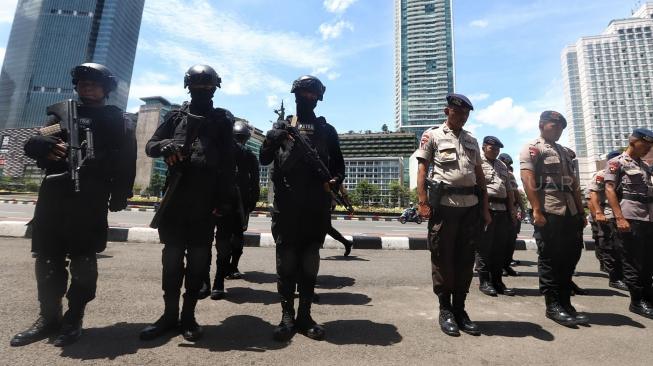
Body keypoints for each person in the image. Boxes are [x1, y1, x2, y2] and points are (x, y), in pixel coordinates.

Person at [11, 63, 136, 347]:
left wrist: (121, 193)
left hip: (91, 197)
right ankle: (48, 317)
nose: (86, 86)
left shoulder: (118, 119)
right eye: (81, 82)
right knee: (47, 258)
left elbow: (128, 159)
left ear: (106, 88)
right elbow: (41, 137)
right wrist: (40, 144)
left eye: (93, 82)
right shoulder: (62, 115)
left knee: (83, 260)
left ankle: (74, 317)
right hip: (55, 193)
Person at [140, 65, 235, 342]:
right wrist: (166, 145)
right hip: (175, 201)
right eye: (197, 85)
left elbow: (229, 164)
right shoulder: (176, 116)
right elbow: (151, 145)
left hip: (204, 204)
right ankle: (169, 315)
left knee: (196, 264)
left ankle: (188, 316)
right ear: (188, 86)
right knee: (170, 262)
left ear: (215, 88)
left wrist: (225, 201)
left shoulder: (221, 120)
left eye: (208, 86)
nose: (203, 89)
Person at [260, 75, 345, 341]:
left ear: (318, 99)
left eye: (312, 95)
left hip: (315, 208)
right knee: (286, 263)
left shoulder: (326, 130)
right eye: (303, 93)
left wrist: (335, 180)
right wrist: (271, 138)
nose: (308, 98)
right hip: (286, 207)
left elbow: (339, 166)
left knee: (309, 262)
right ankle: (287, 317)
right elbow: (263, 159)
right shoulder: (281, 126)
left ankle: (305, 316)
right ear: (295, 95)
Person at [415, 93, 491, 337]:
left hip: (470, 207)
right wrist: (422, 202)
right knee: (443, 258)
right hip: (444, 207)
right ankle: (445, 309)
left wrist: (485, 208)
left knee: (465, 260)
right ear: (447, 111)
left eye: (466, 114)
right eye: (458, 113)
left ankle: (460, 309)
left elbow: (479, 176)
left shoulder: (472, 140)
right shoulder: (433, 135)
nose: (462, 117)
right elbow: (422, 168)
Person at [519, 111, 588, 327]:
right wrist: (536, 210)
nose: (558, 130)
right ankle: (553, 305)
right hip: (549, 209)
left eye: (561, 127)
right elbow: (527, 179)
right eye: (555, 125)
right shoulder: (533, 147)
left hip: (570, 211)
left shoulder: (564, 152)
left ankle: (565, 301)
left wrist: (581, 211)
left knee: (570, 257)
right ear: (542, 124)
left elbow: (573, 183)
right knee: (550, 259)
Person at [207, 120, 260, 300]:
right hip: (229, 202)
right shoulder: (240, 153)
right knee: (229, 240)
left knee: (226, 241)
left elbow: (254, 181)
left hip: (234, 202)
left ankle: (220, 279)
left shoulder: (239, 153)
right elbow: (255, 183)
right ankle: (220, 278)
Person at [604, 129, 653, 319]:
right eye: (645, 145)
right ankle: (637, 301)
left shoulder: (644, 166)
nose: (648, 149)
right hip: (630, 217)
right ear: (633, 141)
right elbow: (609, 189)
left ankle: (648, 297)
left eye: (650, 147)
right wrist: (619, 217)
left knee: (648, 261)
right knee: (633, 260)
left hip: (647, 218)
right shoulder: (617, 162)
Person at [476, 136, 517, 297]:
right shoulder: (477, 161)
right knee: (484, 247)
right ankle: (485, 282)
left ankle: (498, 281)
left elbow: (509, 190)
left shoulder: (502, 165)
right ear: (484, 147)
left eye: (498, 149)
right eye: (492, 148)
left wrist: (512, 210)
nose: (495, 151)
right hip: (486, 208)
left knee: (499, 248)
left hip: (502, 209)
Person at [587, 151, 627, 291]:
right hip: (608, 214)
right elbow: (593, 194)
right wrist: (598, 213)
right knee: (609, 246)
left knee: (622, 247)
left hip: (624, 213)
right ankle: (614, 278)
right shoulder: (602, 174)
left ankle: (622, 274)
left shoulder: (625, 172)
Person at [497, 153, 524, 276]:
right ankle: (498, 267)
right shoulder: (494, 171)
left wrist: (521, 207)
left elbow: (515, 192)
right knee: (499, 240)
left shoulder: (510, 174)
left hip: (511, 209)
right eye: (506, 163)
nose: (507, 166)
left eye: (508, 164)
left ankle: (506, 265)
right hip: (499, 208)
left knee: (510, 239)